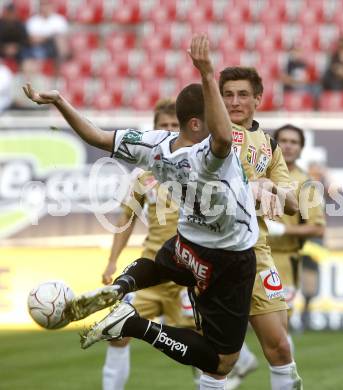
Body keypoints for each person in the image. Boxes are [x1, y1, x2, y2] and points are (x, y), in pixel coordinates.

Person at [23, 34, 266, 390]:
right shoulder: (210, 158)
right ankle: (133, 324)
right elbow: (225, 139)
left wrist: (60, 101)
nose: (226, 124)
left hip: (185, 243)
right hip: (228, 257)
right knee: (221, 360)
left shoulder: (154, 144)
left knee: (160, 265)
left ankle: (125, 284)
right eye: (218, 118)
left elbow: (96, 137)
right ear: (198, 124)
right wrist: (208, 73)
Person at [101, 99, 195, 390]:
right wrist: (113, 261)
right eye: (162, 126)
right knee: (118, 330)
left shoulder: (198, 167)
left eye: (173, 126)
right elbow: (125, 220)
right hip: (151, 272)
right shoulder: (143, 175)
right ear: (154, 130)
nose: (168, 130)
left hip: (189, 274)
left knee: (202, 348)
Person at [218, 67, 302, 390]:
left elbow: (294, 204)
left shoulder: (269, 145)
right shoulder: (212, 134)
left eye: (242, 94)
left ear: (258, 99)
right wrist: (250, 186)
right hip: (215, 253)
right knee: (219, 358)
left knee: (280, 348)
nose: (234, 101)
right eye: (227, 94)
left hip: (256, 253)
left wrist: (271, 187)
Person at [267, 124, 326, 344]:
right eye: (284, 141)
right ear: (274, 145)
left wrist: (283, 229)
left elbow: (318, 227)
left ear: (301, 149)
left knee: (280, 326)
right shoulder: (260, 176)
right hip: (251, 255)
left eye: (294, 142)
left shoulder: (306, 184)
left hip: (284, 260)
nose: (289, 146)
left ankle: (285, 374)